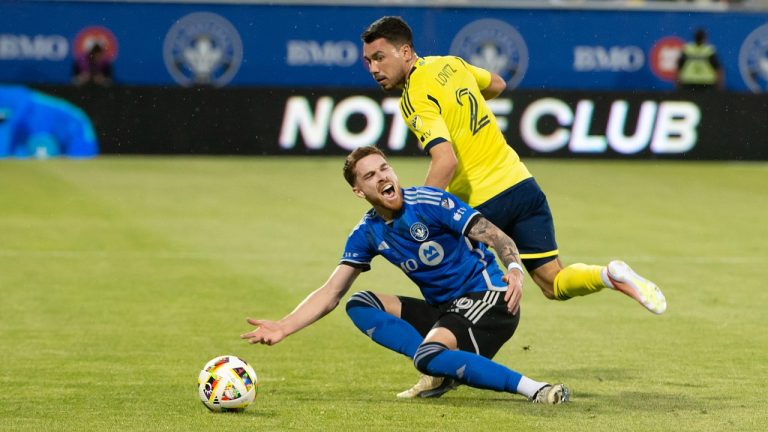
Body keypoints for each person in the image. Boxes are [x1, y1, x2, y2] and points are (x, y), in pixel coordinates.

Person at [361, 16, 667, 397]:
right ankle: (609, 274)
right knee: (553, 282)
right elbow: (498, 84)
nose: (374, 68)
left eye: (379, 57)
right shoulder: (449, 65)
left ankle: (440, 367)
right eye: (368, 61)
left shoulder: (413, 97)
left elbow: (445, 161)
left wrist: (422, 212)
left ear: (404, 51)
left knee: (444, 279)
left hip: (484, 201)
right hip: (522, 183)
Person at [241, 146, 570, 404]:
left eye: (385, 168)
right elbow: (331, 293)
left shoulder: (431, 202)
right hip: (447, 310)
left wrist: (514, 269)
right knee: (360, 303)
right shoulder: (367, 232)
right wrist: (284, 326)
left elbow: (497, 236)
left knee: (428, 356)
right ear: (358, 191)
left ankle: (536, 389)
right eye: (370, 176)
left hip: (489, 298)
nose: (383, 177)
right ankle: (437, 363)